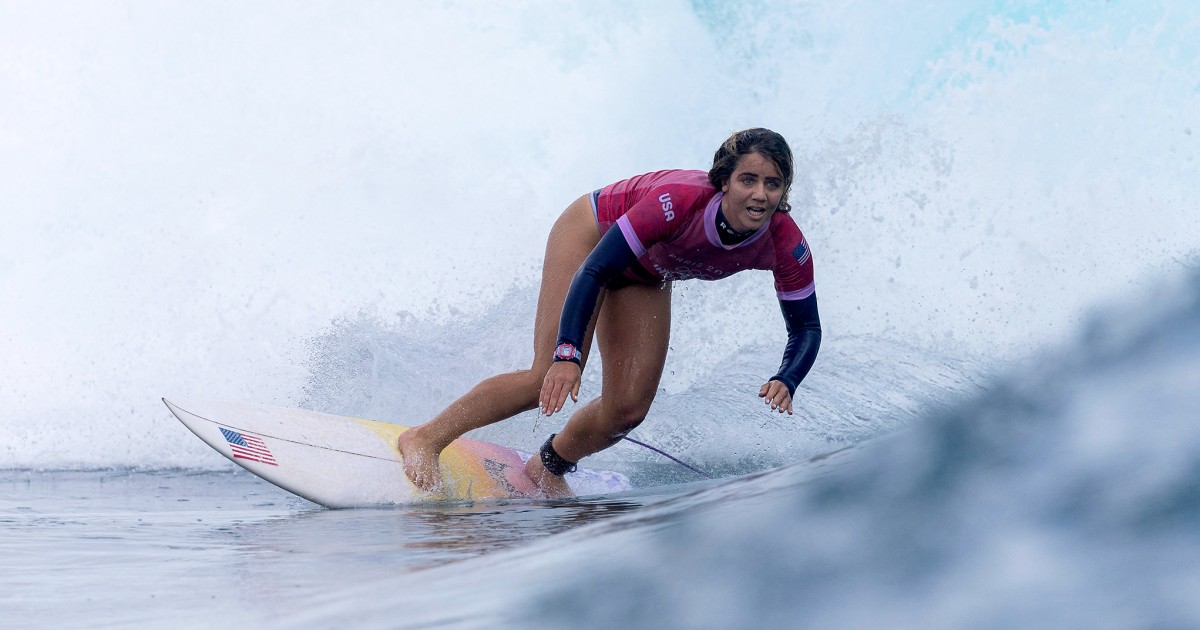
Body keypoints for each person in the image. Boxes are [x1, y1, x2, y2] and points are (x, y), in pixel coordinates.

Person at [398, 128, 822, 497]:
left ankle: (546, 468)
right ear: (724, 181)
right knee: (543, 376)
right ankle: (425, 438)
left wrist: (787, 377)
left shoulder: (785, 243)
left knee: (627, 410)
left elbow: (805, 326)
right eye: (748, 179)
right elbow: (597, 269)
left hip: (646, 272)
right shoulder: (680, 201)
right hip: (592, 237)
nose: (760, 194)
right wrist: (568, 355)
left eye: (773, 183)